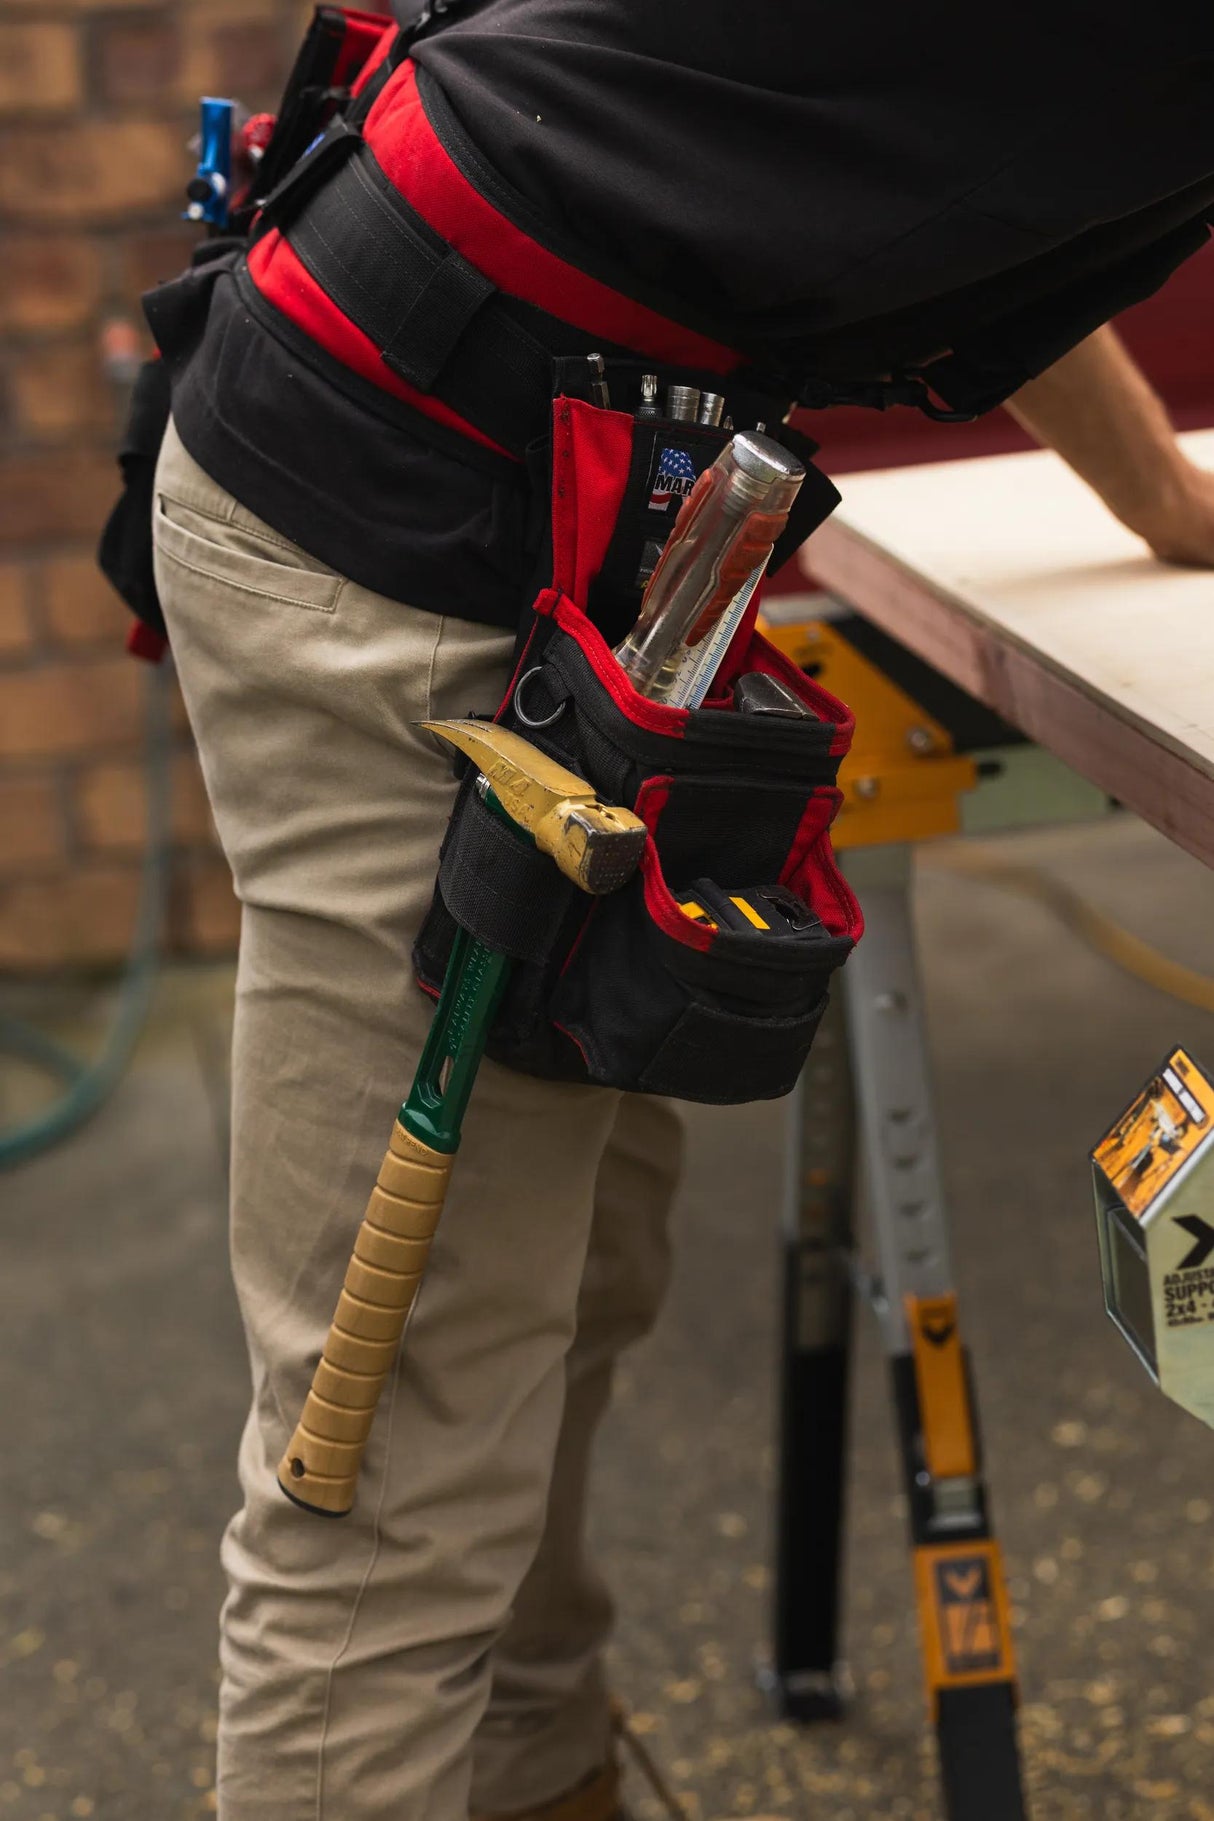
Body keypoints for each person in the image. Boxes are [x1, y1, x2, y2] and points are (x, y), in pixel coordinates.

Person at [146, 5, 1214, 1817]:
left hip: (551, 493)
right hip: (404, 520)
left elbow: (924, 147)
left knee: (577, 1266)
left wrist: (1169, 503)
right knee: (389, 1451)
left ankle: (537, 1773)